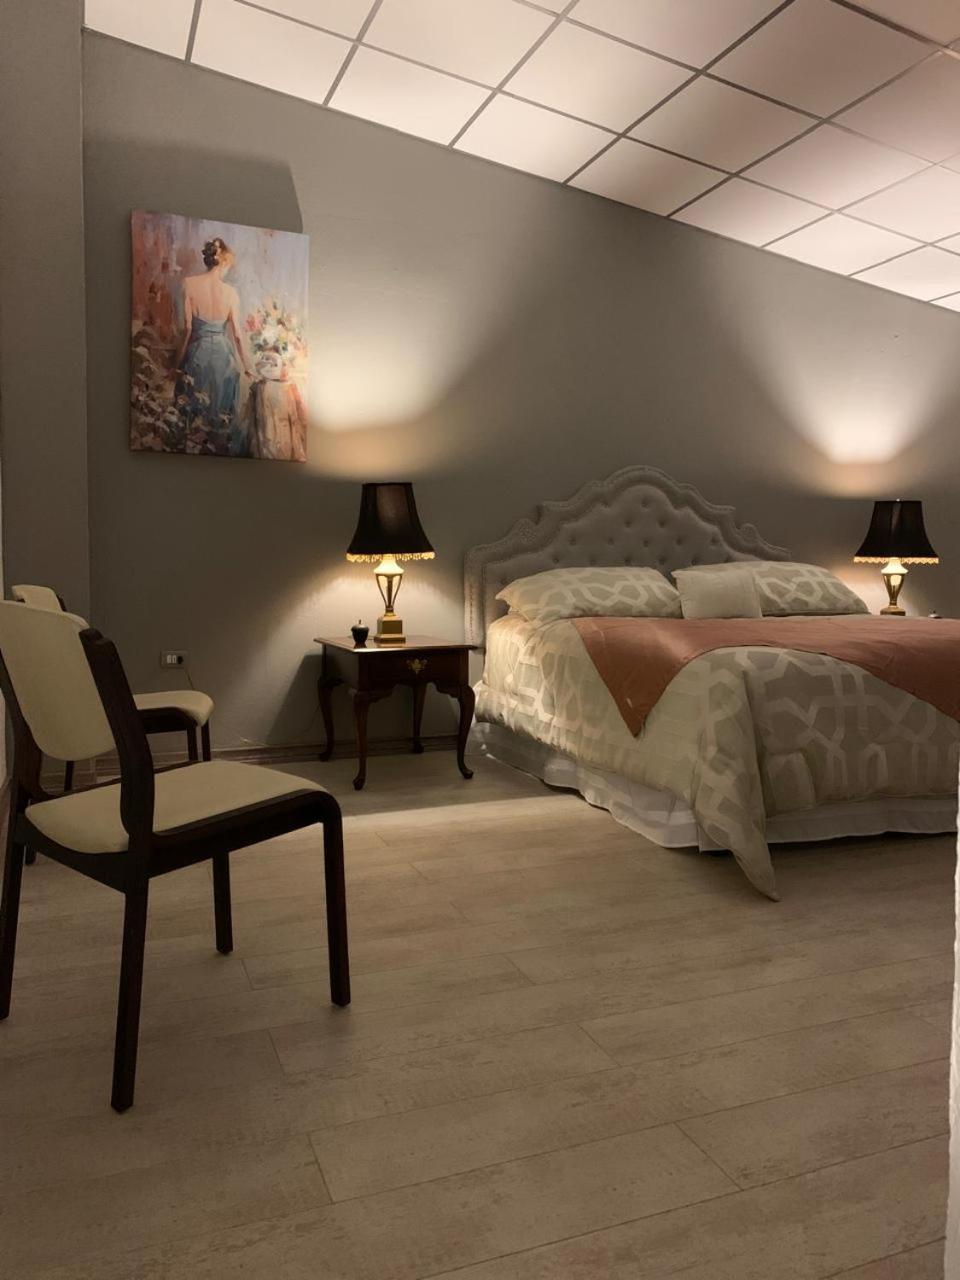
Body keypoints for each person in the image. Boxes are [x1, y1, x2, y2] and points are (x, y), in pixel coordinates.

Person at [171, 237, 255, 454]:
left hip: (197, 355)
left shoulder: (189, 284)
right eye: (229, 266)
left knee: (193, 414)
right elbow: (237, 336)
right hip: (224, 359)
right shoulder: (231, 293)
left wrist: (177, 363)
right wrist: (247, 366)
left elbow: (187, 329)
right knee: (220, 416)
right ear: (224, 262)